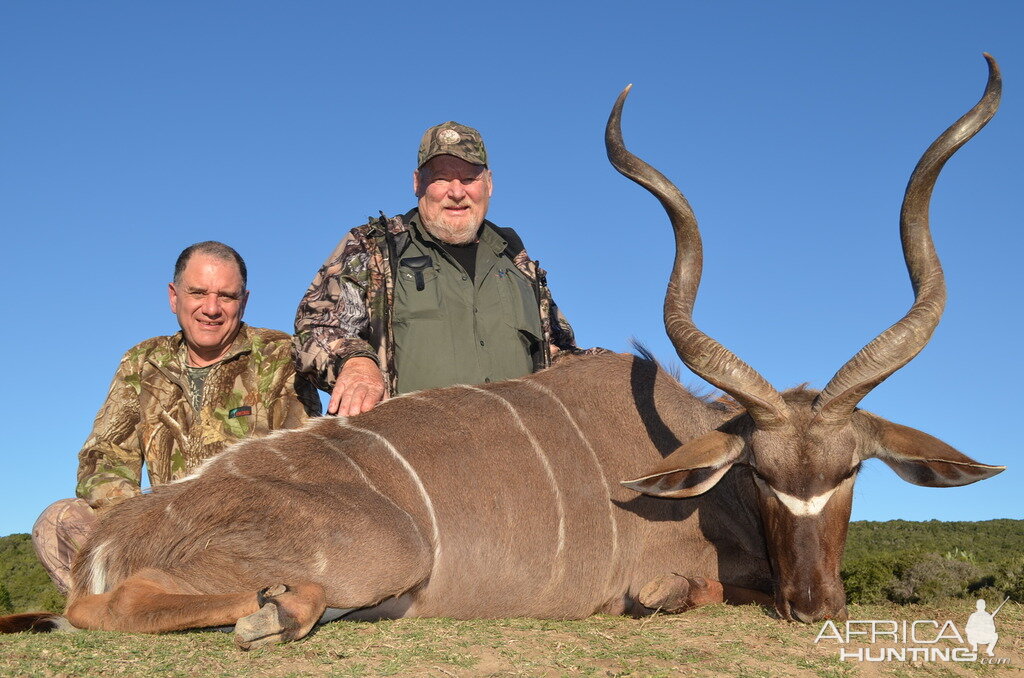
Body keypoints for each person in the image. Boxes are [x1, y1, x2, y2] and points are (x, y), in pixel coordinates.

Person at [33, 241, 322, 594]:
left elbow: (302, 463)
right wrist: (141, 524)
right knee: (58, 520)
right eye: (198, 293)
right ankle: (133, 608)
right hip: (154, 533)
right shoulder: (141, 361)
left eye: (226, 296)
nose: (211, 308)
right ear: (174, 296)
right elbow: (104, 458)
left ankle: (180, 605)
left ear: (243, 301)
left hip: (242, 538)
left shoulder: (280, 356)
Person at [294, 121, 590, 415]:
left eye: (469, 178)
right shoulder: (373, 247)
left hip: (516, 453)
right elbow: (317, 324)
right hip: (410, 452)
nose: (457, 192)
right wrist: (356, 362)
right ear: (417, 183)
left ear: (488, 184)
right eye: (442, 178)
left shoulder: (518, 263)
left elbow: (561, 354)